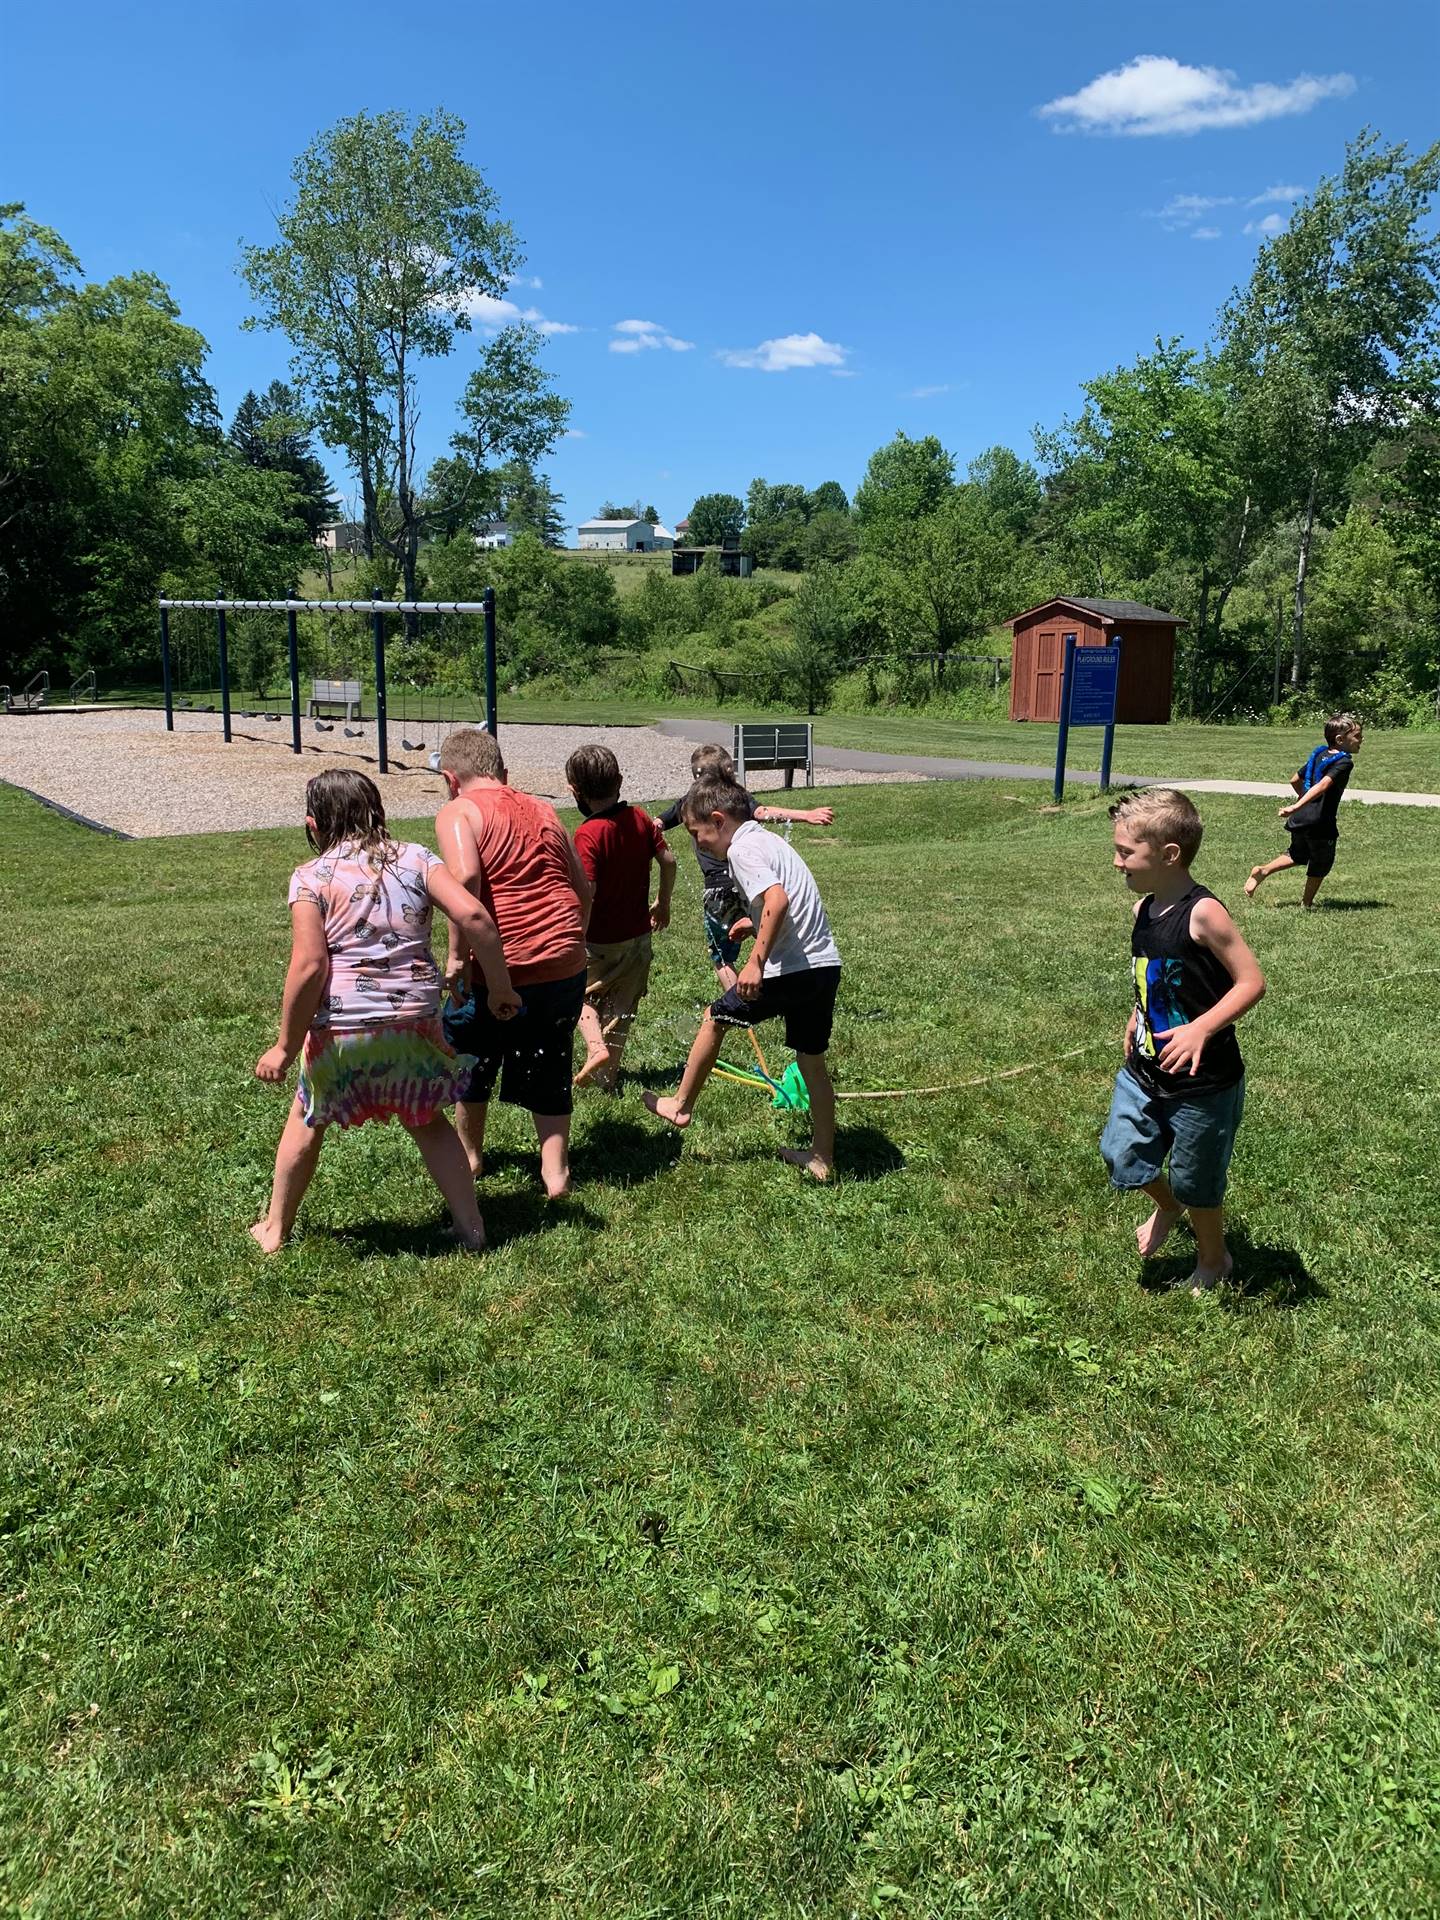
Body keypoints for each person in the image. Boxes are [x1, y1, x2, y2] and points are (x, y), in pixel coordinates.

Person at [251, 769, 521, 1254]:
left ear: (314, 825)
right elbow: (475, 916)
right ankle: (471, 1227)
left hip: (344, 1025)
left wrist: (285, 1045)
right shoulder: (416, 858)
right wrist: (500, 987)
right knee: (426, 1120)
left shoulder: (311, 877)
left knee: (307, 1120)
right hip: (414, 1021)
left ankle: (275, 1229)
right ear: (378, 812)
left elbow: (310, 964)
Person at [1102, 788, 1266, 1294]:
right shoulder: (1142, 912)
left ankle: (1215, 1259)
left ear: (1169, 855)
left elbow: (1251, 982)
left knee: (1199, 1182)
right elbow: (1154, 978)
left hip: (1203, 1083)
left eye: (1127, 852)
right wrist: (1137, 1014)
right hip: (1145, 1071)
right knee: (1121, 1154)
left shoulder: (1204, 913)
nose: (1116, 862)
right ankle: (1166, 1207)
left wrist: (1201, 1028)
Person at [643, 777, 841, 1181]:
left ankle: (680, 1105)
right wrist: (753, 924)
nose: (699, 845)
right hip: (823, 965)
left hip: (792, 970)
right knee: (812, 1064)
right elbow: (789, 902)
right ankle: (822, 1157)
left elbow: (778, 899)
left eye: (698, 835)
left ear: (718, 820)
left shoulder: (741, 849)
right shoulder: (768, 841)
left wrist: (754, 963)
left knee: (715, 1017)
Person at [435, 726, 591, 1199]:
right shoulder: (544, 809)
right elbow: (584, 890)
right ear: (503, 773)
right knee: (551, 1056)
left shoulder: (458, 810)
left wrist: (458, 956)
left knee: (471, 1055)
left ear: (449, 778)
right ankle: (555, 1170)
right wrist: (567, 944)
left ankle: (470, 1156)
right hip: (565, 959)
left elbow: (463, 878)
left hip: (502, 966)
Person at [656, 744, 834, 991]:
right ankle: (773, 980)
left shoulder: (691, 802)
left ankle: (738, 1001)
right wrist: (804, 814)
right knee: (766, 926)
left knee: (722, 958)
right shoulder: (736, 797)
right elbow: (763, 812)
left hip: (720, 890)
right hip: (752, 889)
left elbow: (657, 823)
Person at [565, 743, 677, 1092]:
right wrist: (663, 902)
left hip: (598, 940)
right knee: (621, 1008)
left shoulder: (588, 834)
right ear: (620, 781)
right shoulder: (641, 818)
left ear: (575, 792)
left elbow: (588, 891)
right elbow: (669, 861)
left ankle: (595, 1048)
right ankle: (607, 1079)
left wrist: (574, 932)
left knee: (578, 997)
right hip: (638, 936)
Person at [1245, 713, 1364, 909]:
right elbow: (1324, 785)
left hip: (1301, 819)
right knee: (1321, 862)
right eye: (1357, 736)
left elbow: (1295, 779)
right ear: (1340, 739)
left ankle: (1263, 871)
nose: (1361, 740)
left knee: (1297, 854)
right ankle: (1306, 904)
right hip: (1320, 822)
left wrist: (1302, 803)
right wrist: (1297, 805)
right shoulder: (1344, 762)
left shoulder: (1319, 755)